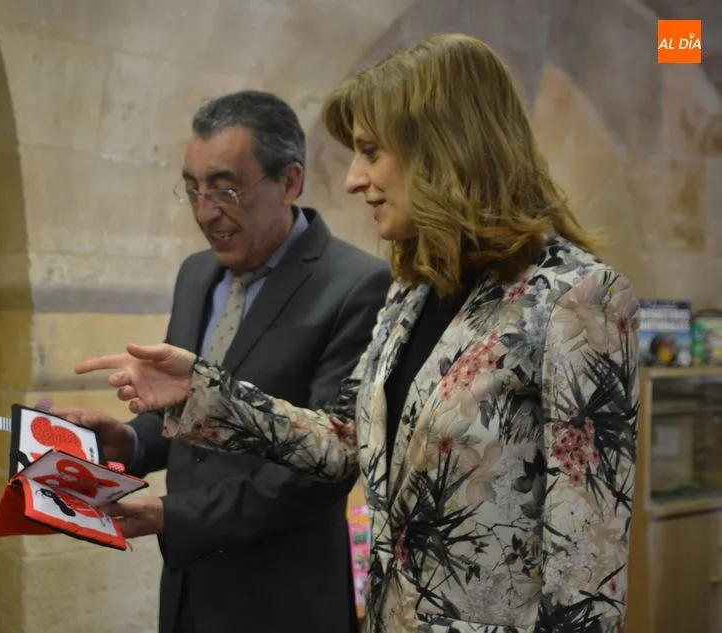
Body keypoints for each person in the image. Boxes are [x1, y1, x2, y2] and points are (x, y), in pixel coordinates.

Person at [73, 35, 642, 633]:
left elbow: (587, 577)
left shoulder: (577, 298)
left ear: (443, 147)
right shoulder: (414, 291)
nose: (352, 178)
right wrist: (202, 392)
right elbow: (344, 441)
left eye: (370, 151)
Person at [54, 90, 392, 633]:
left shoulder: (355, 286)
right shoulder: (196, 274)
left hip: (284, 599)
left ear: (290, 182)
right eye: (192, 189)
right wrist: (131, 442)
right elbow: (186, 413)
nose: (205, 212)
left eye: (225, 189)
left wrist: (173, 515)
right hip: (190, 589)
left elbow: (325, 468)